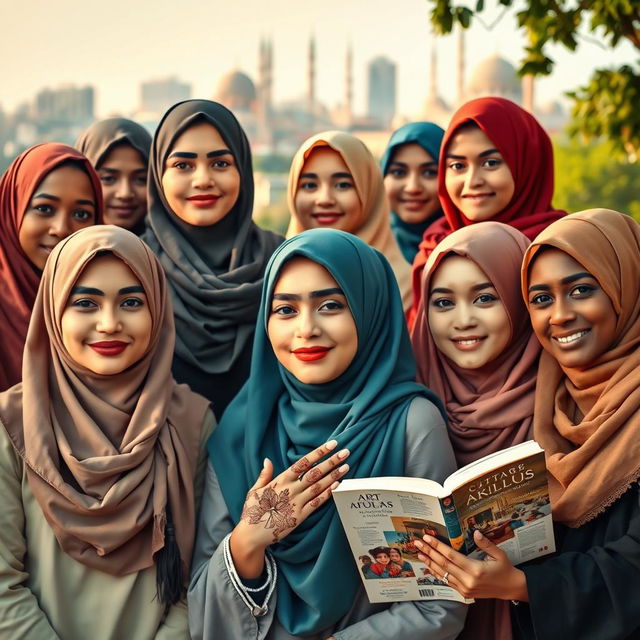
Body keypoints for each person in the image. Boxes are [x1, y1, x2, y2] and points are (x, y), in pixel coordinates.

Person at [189, 228, 466, 639]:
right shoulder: (243, 427)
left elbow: (440, 601)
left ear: (369, 310)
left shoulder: (410, 423)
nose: (306, 329)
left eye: (331, 305)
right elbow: (200, 604)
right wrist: (246, 543)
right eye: (285, 310)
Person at [416, 209, 640, 640]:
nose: (559, 315)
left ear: (626, 284)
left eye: (581, 290)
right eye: (541, 299)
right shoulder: (556, 399)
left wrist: (523, 586)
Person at [0, 225, 214, 639]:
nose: (110, 323)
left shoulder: (190, 422)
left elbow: (199, 579)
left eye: (132, 301)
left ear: (157, 309)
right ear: (53, 311)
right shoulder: (13, 423)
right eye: (85, 303)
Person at [142, 99, 283, 418]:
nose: (203, 179)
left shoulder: (280, 261)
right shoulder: (136, 267)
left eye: (220, 163)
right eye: (183, 165)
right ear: (158, 175)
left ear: (243, 170)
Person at [408, 97, 565, 328]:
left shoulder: (559, 247)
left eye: (491, 163)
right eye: (457, 166)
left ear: (526, 164)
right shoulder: (435, 247)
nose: (472, 181)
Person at [0, 143, 102, 391]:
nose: (61, 229)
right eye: (44, 209)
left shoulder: (108, 301)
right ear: (12, 210)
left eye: (81, 214)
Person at [286, 131, 412, 310]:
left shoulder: (404, 284)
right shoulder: (277, 273)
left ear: (369, 191)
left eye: (343, 185)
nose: (324, 199)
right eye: (309, 185)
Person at [381, 122, 445, 264]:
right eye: (399, 172)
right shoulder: (364, 250)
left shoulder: (469, 248)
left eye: (429, 173)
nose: (412, 188)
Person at [76, 117, 152, 234]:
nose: (125, 194)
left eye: (141, 179)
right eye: (108, 178)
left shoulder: (173, 249)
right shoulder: (56, 246)